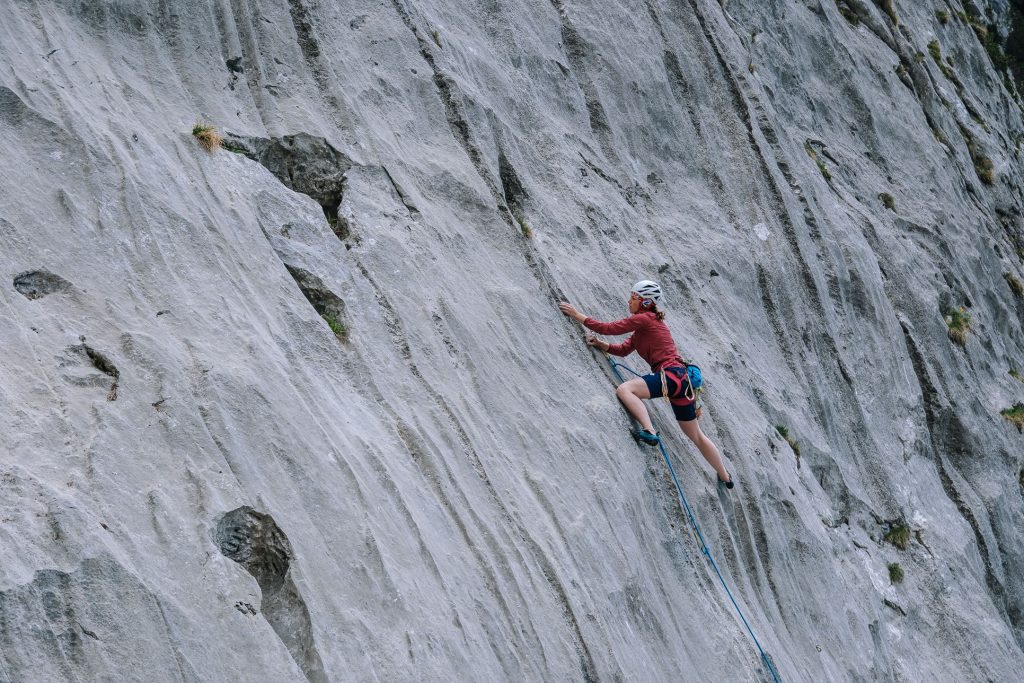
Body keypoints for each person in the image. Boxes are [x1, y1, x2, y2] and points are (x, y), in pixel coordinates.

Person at [559, 280, 733, 488]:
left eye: (634, 298)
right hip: (682, 381)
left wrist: (577, 315)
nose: (629, 301)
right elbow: (623, 349)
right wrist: (600, 344)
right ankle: (726, 477)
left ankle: (650, 431)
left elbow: (609, 328)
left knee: (626, 390)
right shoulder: (645, 326)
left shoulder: (645, 319)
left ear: (645, 302)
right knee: (696, 435)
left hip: (669, 375)